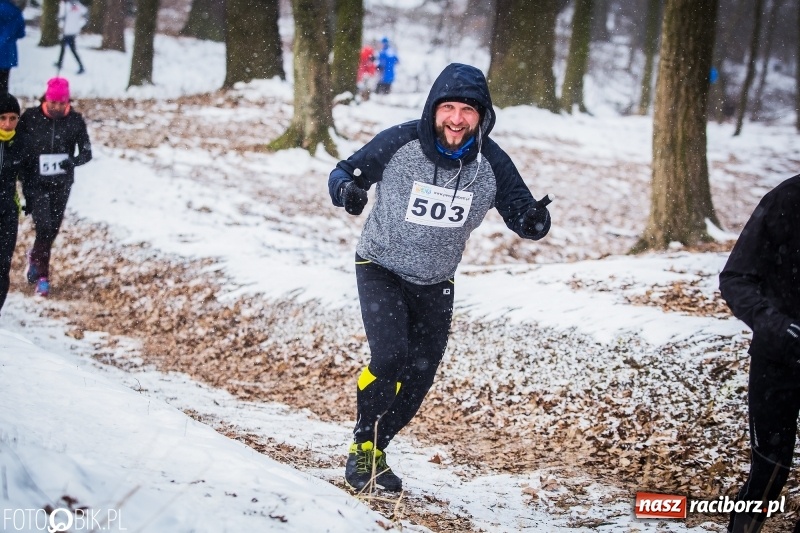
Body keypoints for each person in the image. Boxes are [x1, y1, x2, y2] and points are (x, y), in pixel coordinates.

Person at [328, 63, 552, 492]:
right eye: (447, 107)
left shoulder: (492, 161)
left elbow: (520, 208)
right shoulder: (401, 141)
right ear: (433, 110)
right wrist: (348, 192)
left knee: (419, 375)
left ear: (482, 116)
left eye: (467, 111)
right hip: (381, 267)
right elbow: (343, 172)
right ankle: (361, 445)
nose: (456, 119)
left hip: (436, 280)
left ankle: (378, 446)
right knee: (390, 357)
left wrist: (533, 221)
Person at [719, 174, 800, 533]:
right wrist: (777, 326)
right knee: (769, 470)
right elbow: (736, 277)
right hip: (777, 361)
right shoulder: (787, 198)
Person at [17, 77, 92, 297]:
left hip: (62, 183)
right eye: (54, 103)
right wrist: (23, 176)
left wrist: (72, 161)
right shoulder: (31, 117)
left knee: (52, 229)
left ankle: (35, 257)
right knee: (44, 226)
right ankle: (43, 277)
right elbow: (19, 148)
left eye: (63, 103)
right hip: (36, 183)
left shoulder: (75, 121)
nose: (58, 107)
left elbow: (87, 153)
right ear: (46, 99)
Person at [0, 93, 22, 314]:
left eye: (13, 118)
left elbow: (29, 175)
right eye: (3, 118)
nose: (7, 124)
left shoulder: (20, 142)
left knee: (2, 265)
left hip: (7, 210)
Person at [56, 0, 88, 75]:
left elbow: (61, 17)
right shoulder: (78, 5)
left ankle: (81, 66)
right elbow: (85, 12)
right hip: (73, 31)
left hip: (67, 31)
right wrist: (79, 25)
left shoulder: (65, 5)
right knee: (63, 47)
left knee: (71, 49)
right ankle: (59, 63)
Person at [0, 0, 25, 94]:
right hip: (7, 53)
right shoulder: (16, 12)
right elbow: (21, 33)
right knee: (3, 84)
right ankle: (2, 105)